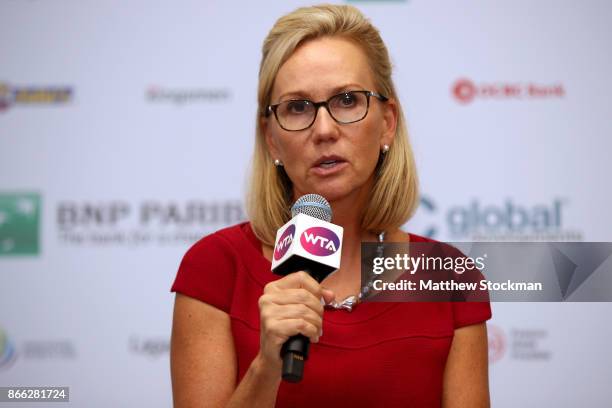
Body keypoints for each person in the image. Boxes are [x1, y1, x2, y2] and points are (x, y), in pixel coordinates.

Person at [170, 4, 491, 407]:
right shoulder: (216, 267)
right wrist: (267, 366)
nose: (324, 130)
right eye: (298, 107)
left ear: (387, 122)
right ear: (271, 138)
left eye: (347, 100)